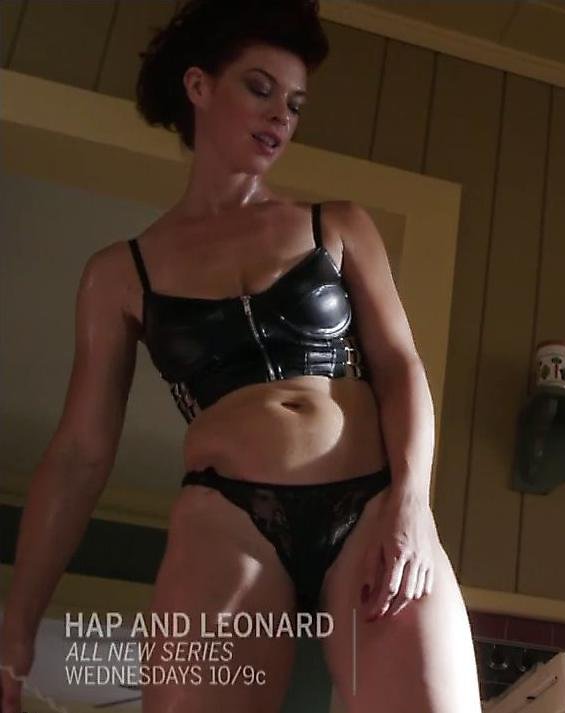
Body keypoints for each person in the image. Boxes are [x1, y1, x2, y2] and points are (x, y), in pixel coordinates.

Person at [0, 1, 481, 711]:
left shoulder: (337, 225)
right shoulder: (119, 274)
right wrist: (17, 623)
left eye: (295, 104)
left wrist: (412, 501)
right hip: (228, 519)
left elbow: (401, 368)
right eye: (260, 88)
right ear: (199, 86)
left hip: (372, 503)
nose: (281, 115)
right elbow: (78, 455)